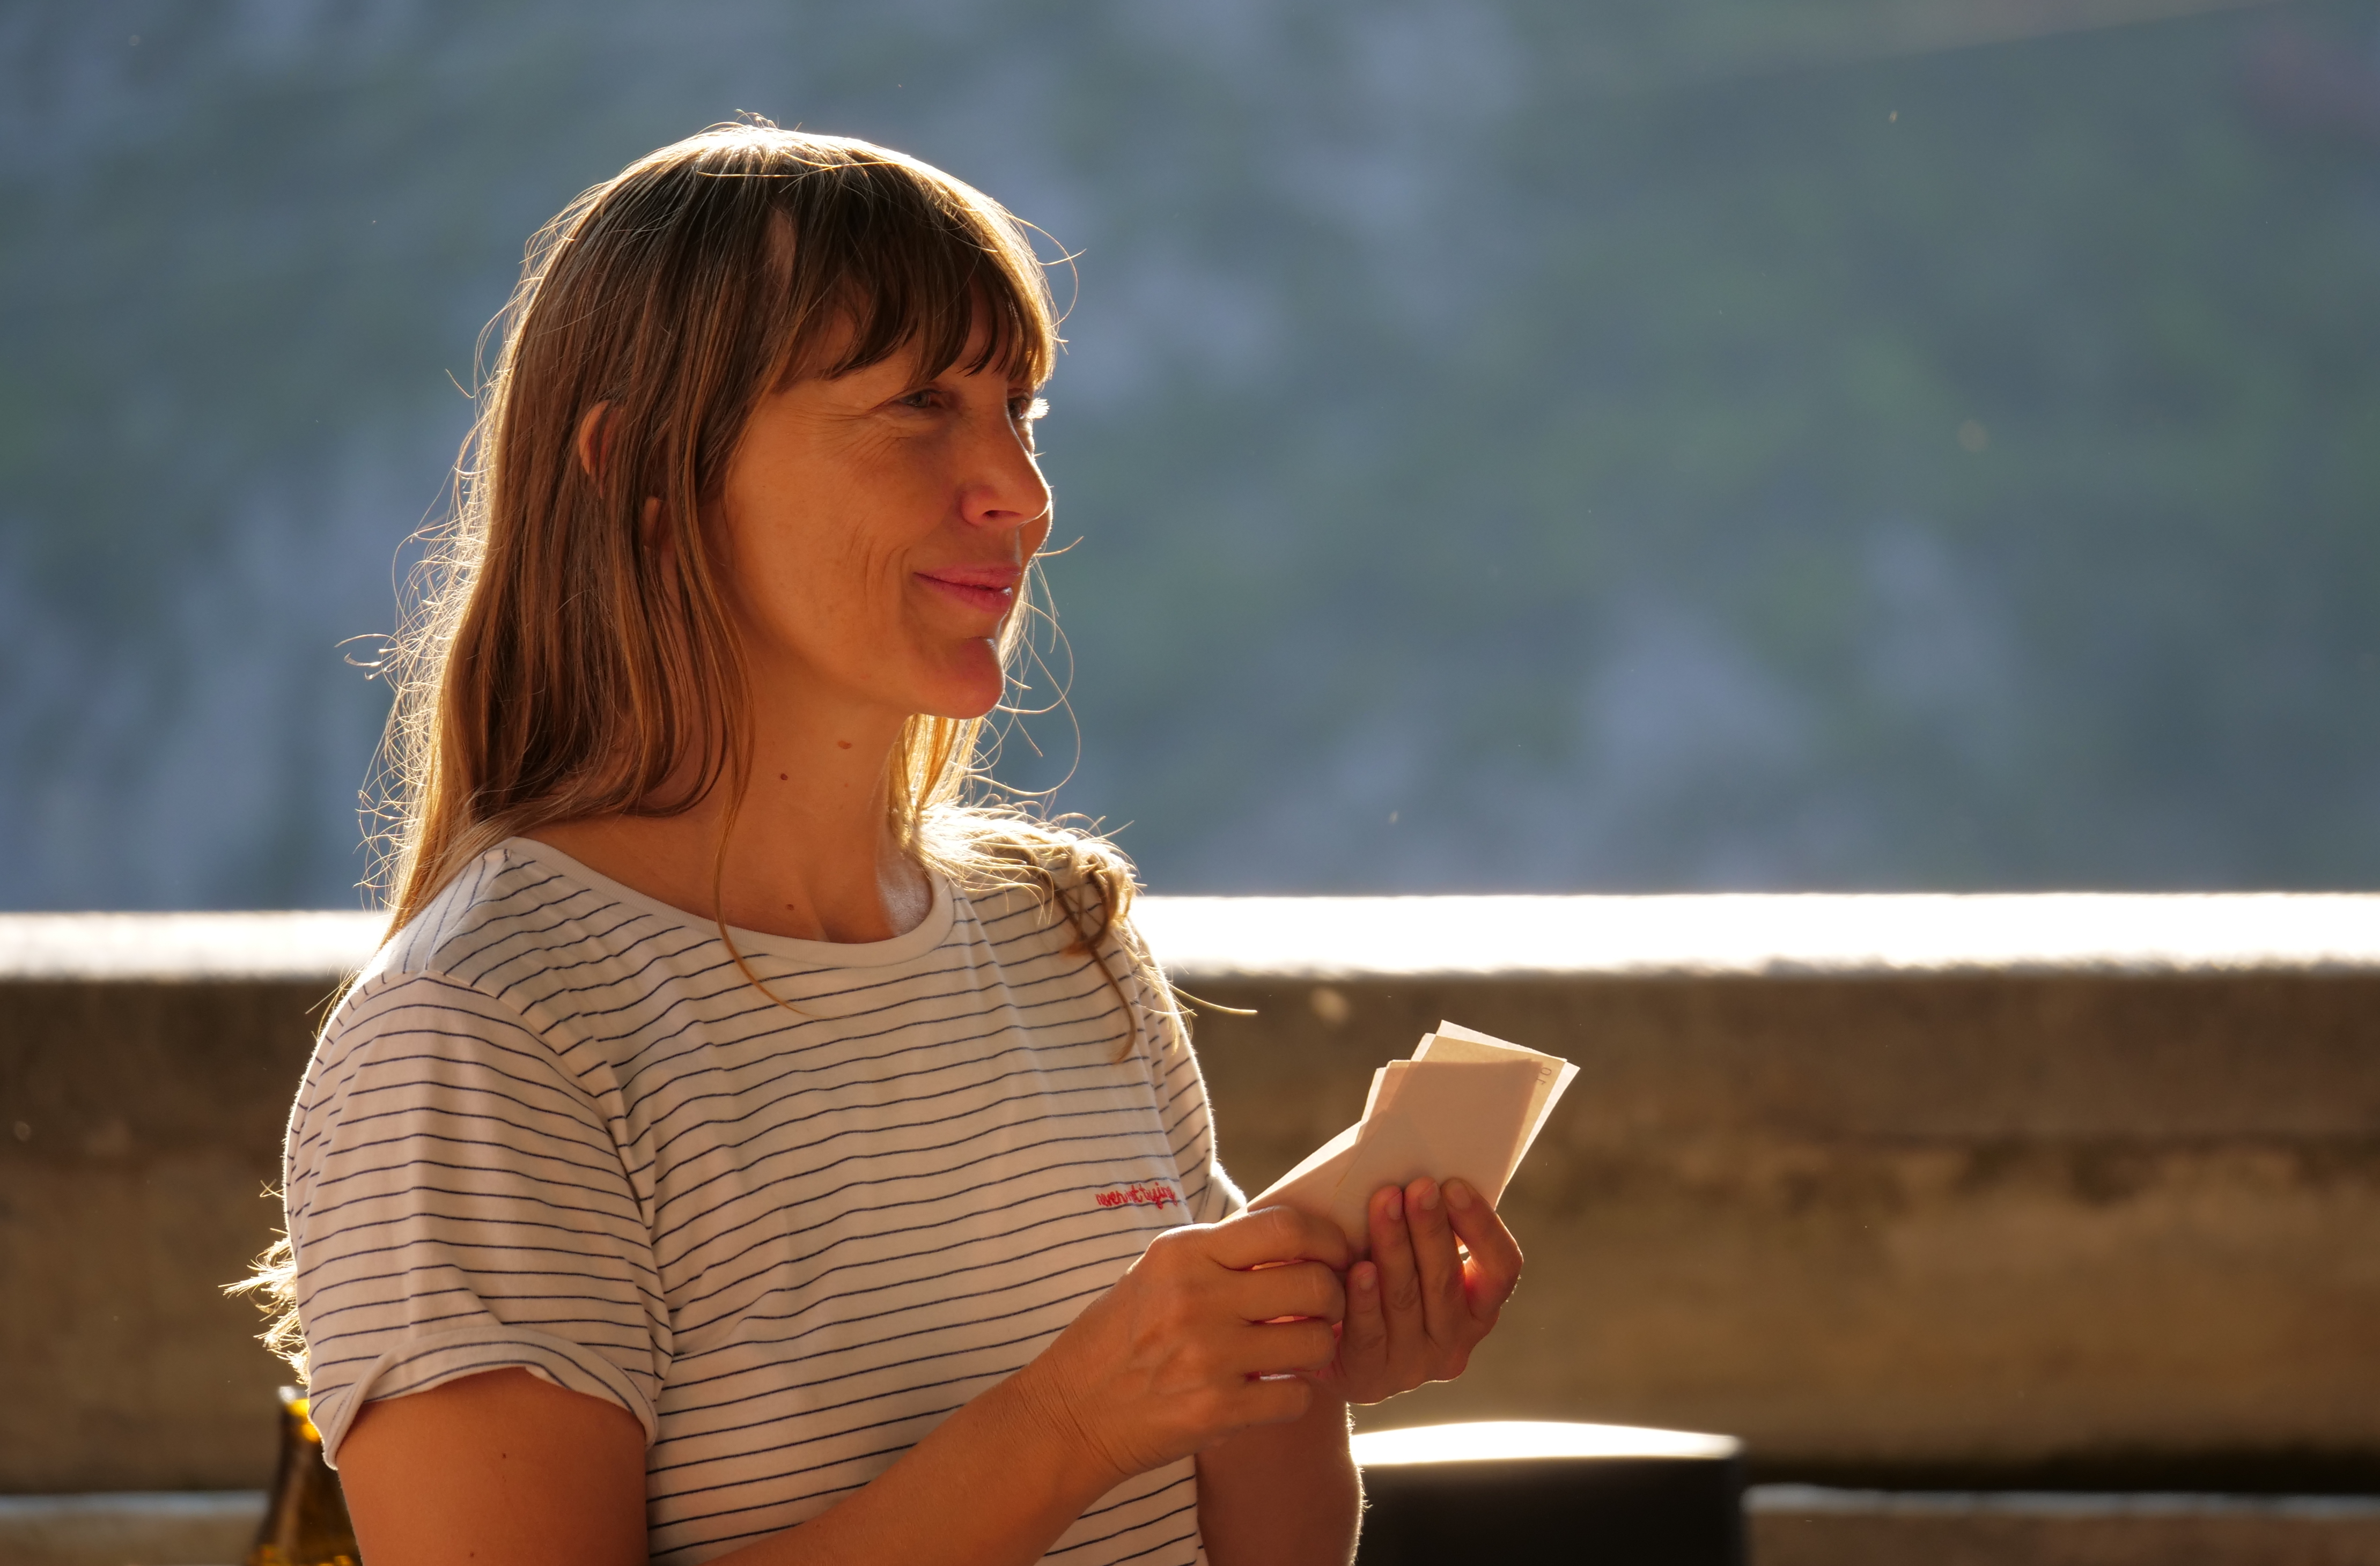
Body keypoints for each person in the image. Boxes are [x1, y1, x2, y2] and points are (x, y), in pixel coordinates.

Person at [256, 123, 1524, 1566]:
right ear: (640, 473)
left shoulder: (1061, 934)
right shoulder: (481, 1031)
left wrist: (1286, 1367)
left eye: (1018, 409)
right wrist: (1075, 1418)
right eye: (920, 404)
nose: (1020, 494)